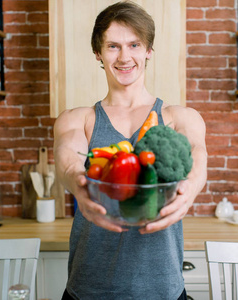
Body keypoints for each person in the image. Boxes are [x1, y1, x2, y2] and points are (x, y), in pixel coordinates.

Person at [53, 1, 207, 299]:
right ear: (98, 53)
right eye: (113, 46)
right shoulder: (78, 119)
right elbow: (67, 158)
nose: (124, 57)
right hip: (89, 289)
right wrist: (77, 182)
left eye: (134, 44)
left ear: (148, 50)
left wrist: (190, 188)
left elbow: (197, 155)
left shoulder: (179, 118)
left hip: (162, 289)